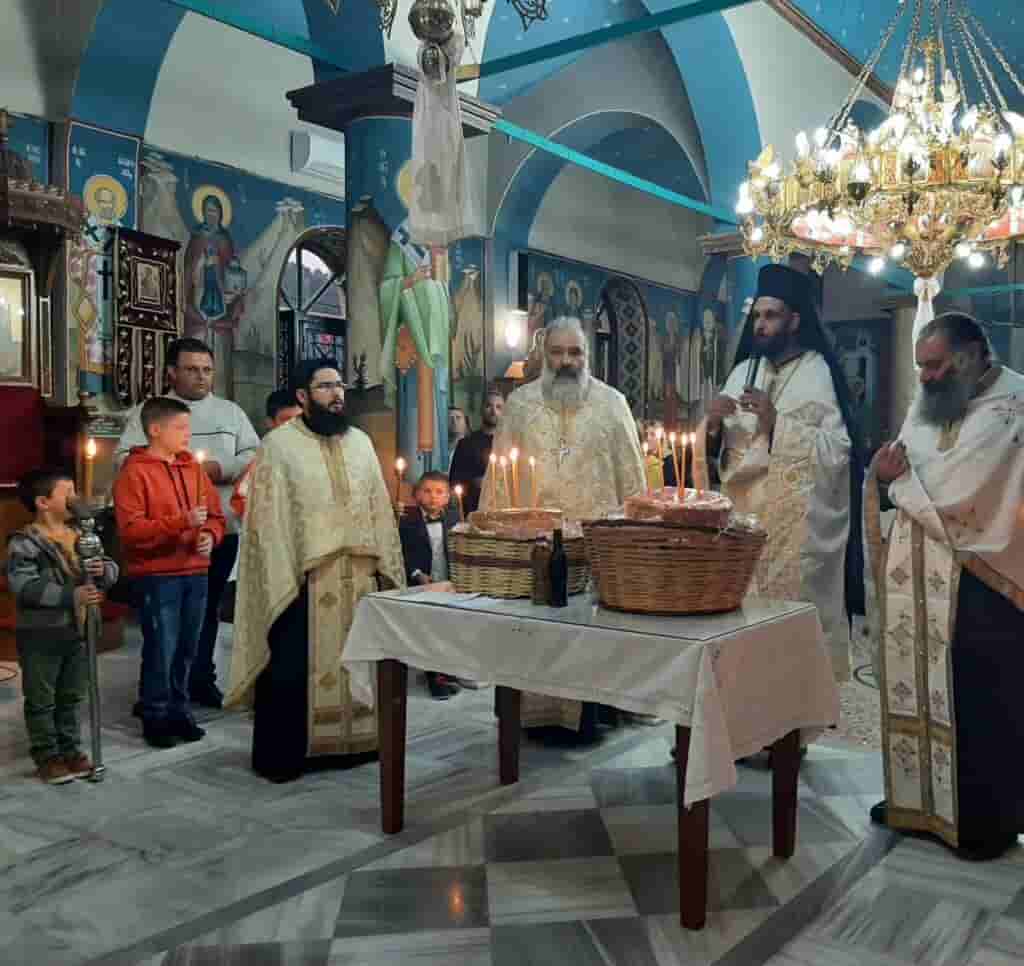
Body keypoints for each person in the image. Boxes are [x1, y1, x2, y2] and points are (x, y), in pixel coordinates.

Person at [866, 313, 1024, 860]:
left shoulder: (1014, 406)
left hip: (988, 582)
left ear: (973, 353)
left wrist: (903, 486)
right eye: (921, 367)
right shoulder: (927, 405)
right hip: (919, 578)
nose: (926, 377)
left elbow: (971, 492)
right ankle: (918, 807)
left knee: (980, 701)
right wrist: (884, 475)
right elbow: (908, 470)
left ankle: (985, 823)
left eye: (935, 365)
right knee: (919, 685)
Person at [225, 359, 406, 783]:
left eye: (339, 385)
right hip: (302, 579)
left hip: (358, 577)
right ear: (303, 396)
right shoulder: (279, 445)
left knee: (359, 659)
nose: (337, 393)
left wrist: (386, 565)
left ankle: (357, 745)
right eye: (325, 386)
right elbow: (267, 517)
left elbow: (378, 506)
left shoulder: (360, 442)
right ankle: (288, 755)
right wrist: (282, 569)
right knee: (293, 667)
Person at [694, 264, 864, 682]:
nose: (761, 325)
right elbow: (718, 451)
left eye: (771, 316)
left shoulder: (816, 372)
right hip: (741, 526)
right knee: (739, 627)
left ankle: (793, 716)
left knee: (788, 641)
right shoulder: (742, 372)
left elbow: (839, 451)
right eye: (757, 316)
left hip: (795, 531)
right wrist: (711, 426)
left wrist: (777, 425)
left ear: (795, 320)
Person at [482, 316, 646, 737]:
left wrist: (633, 539)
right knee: (534, 629)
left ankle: (595, 716)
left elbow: (632, 479)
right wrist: (496, 530)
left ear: (587, 356)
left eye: (575, 352)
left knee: (591, 631)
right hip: (535, 542)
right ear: (544, 355)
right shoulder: (520, 405)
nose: (567, 361)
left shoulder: (612, 403)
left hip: (595, 545)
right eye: (557, 352)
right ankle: (532, 717)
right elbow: (499, 477)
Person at [115, 337, 259, 708]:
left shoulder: (230, 413)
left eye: (207, 370)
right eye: (192, 369)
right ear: (171, 373)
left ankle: (199, 679)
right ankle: (158, 695)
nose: (201, 376)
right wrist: (174, 468)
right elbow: (124, 459)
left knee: (206, 612)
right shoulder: (150, 413)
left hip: (218, 529)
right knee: (163, 624)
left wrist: (218, 468)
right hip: (164, 538)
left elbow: (255, 456)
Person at [113, 397, 226, 748]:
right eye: (180, 427)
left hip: (196, 571)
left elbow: (216, 516)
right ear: (155, 430)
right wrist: (181, 522)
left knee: (188, 647)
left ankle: (180, 710)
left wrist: (210, 536)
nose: (187, 434)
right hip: (158, 574)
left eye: (188, 427)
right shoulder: (135, 473)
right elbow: (131, 531)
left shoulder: (193, 469)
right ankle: (156, 714)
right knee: (162, 648)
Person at [7, 471, 118, 784]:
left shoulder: (81, 535)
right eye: (67, 493)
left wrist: (103, 570)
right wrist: (72, 595)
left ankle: (70, 749)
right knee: (42, 698)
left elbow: (109, 568)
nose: (75, 499)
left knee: (72, 695)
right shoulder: (24, 543)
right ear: (43, 502)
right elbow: (24, 587)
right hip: (42, 634)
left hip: (79, 630)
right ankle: (47, 755)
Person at [398, 470, 461, 700]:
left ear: (448, 497)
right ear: (416, 495)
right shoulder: (406, 521)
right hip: (422, 583)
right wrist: (417, 573)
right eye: (427, 491)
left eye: (439, 492)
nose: (433, 496)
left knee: (449, 627)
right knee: (430, 628)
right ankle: (434, 677)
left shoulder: (454, 518)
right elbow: (401, 553)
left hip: (448, 582)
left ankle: (448, 670)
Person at [230, 388, 303, 522]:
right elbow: (240, 501)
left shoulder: (318, 456)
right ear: (270, 422)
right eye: (286, 421)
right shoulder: (261, 462)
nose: (294, 427)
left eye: (299, 420)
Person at [450, 389, 504, 516]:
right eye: (489, 406)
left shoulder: (509, 443)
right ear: (481, 409)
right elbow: (454, 481)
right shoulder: (466, 444)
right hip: (473, 508)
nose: (493, 411)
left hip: (502, 507)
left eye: (498, 407)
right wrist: (474, 481)